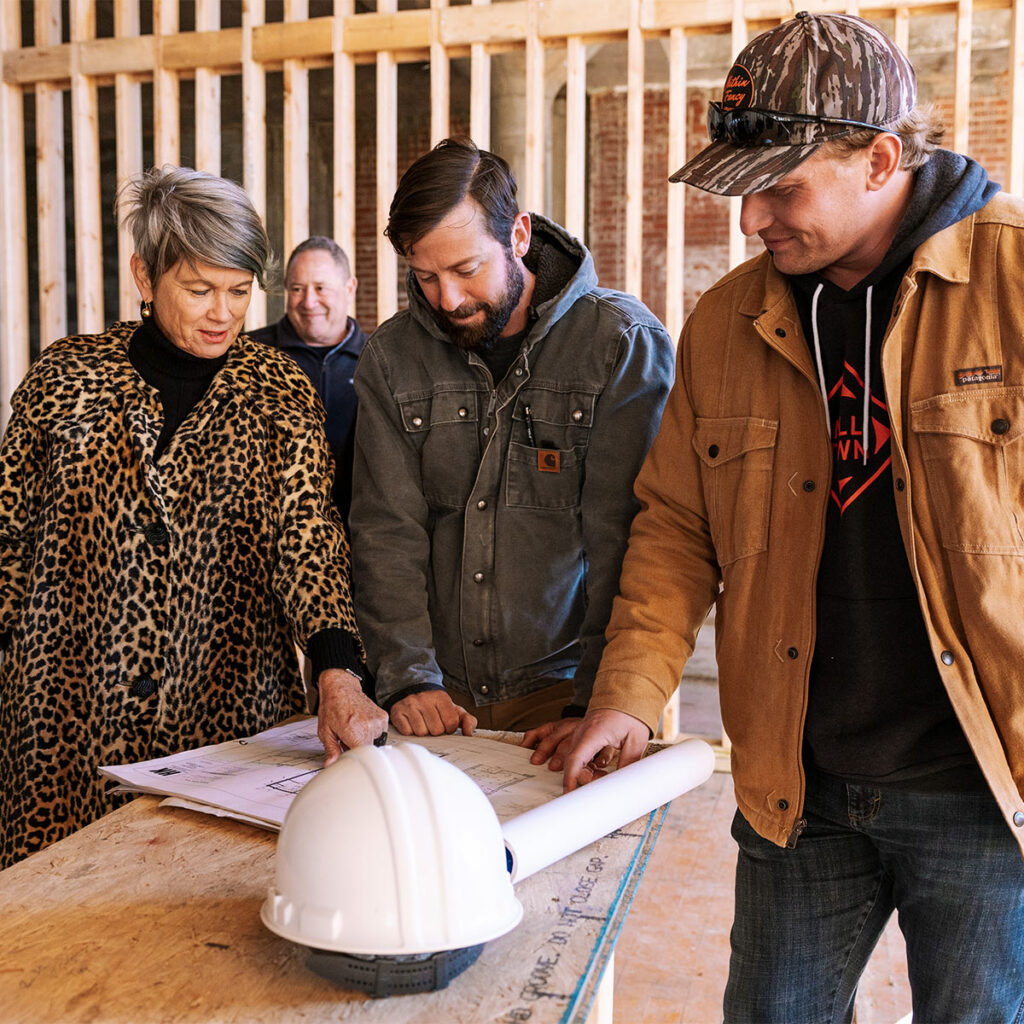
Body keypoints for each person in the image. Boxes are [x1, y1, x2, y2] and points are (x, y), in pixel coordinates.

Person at [553, 12, 1024, 1020]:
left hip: (983, 791)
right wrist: (631, 693)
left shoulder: (1013, 283)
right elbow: (676, 525)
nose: (751, 219)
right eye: (743, 188)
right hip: (794, 785)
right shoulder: (728, 322)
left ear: (880, 158)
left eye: (780, 187)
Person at [0, 165, 386, 868]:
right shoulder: (65, 377)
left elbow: (309, 541)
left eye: (239, 291)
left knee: (204, 899)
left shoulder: (277, 392)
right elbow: (8, 537)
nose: (223, 314)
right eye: (200, 289)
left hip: (225, 720)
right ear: (145, 277)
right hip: (65, 715)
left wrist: (337, 670)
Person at [350, 137, 674, 743]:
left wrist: (600, 702)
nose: (447, 299)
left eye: (466, 270)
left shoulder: (620, 344)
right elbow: (386, 532)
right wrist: (407, 678)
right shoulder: (392, 357)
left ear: (518, 236)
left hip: (565, 693)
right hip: (432, 694)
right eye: (425, 277)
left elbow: (632, 543)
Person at [249, 237, 366, 525]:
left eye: (321, 288)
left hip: (358, 534)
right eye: (297, 289)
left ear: (350, 288)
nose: (309, 302)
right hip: (267, 535)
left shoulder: (377, 361)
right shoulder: (250, 356)